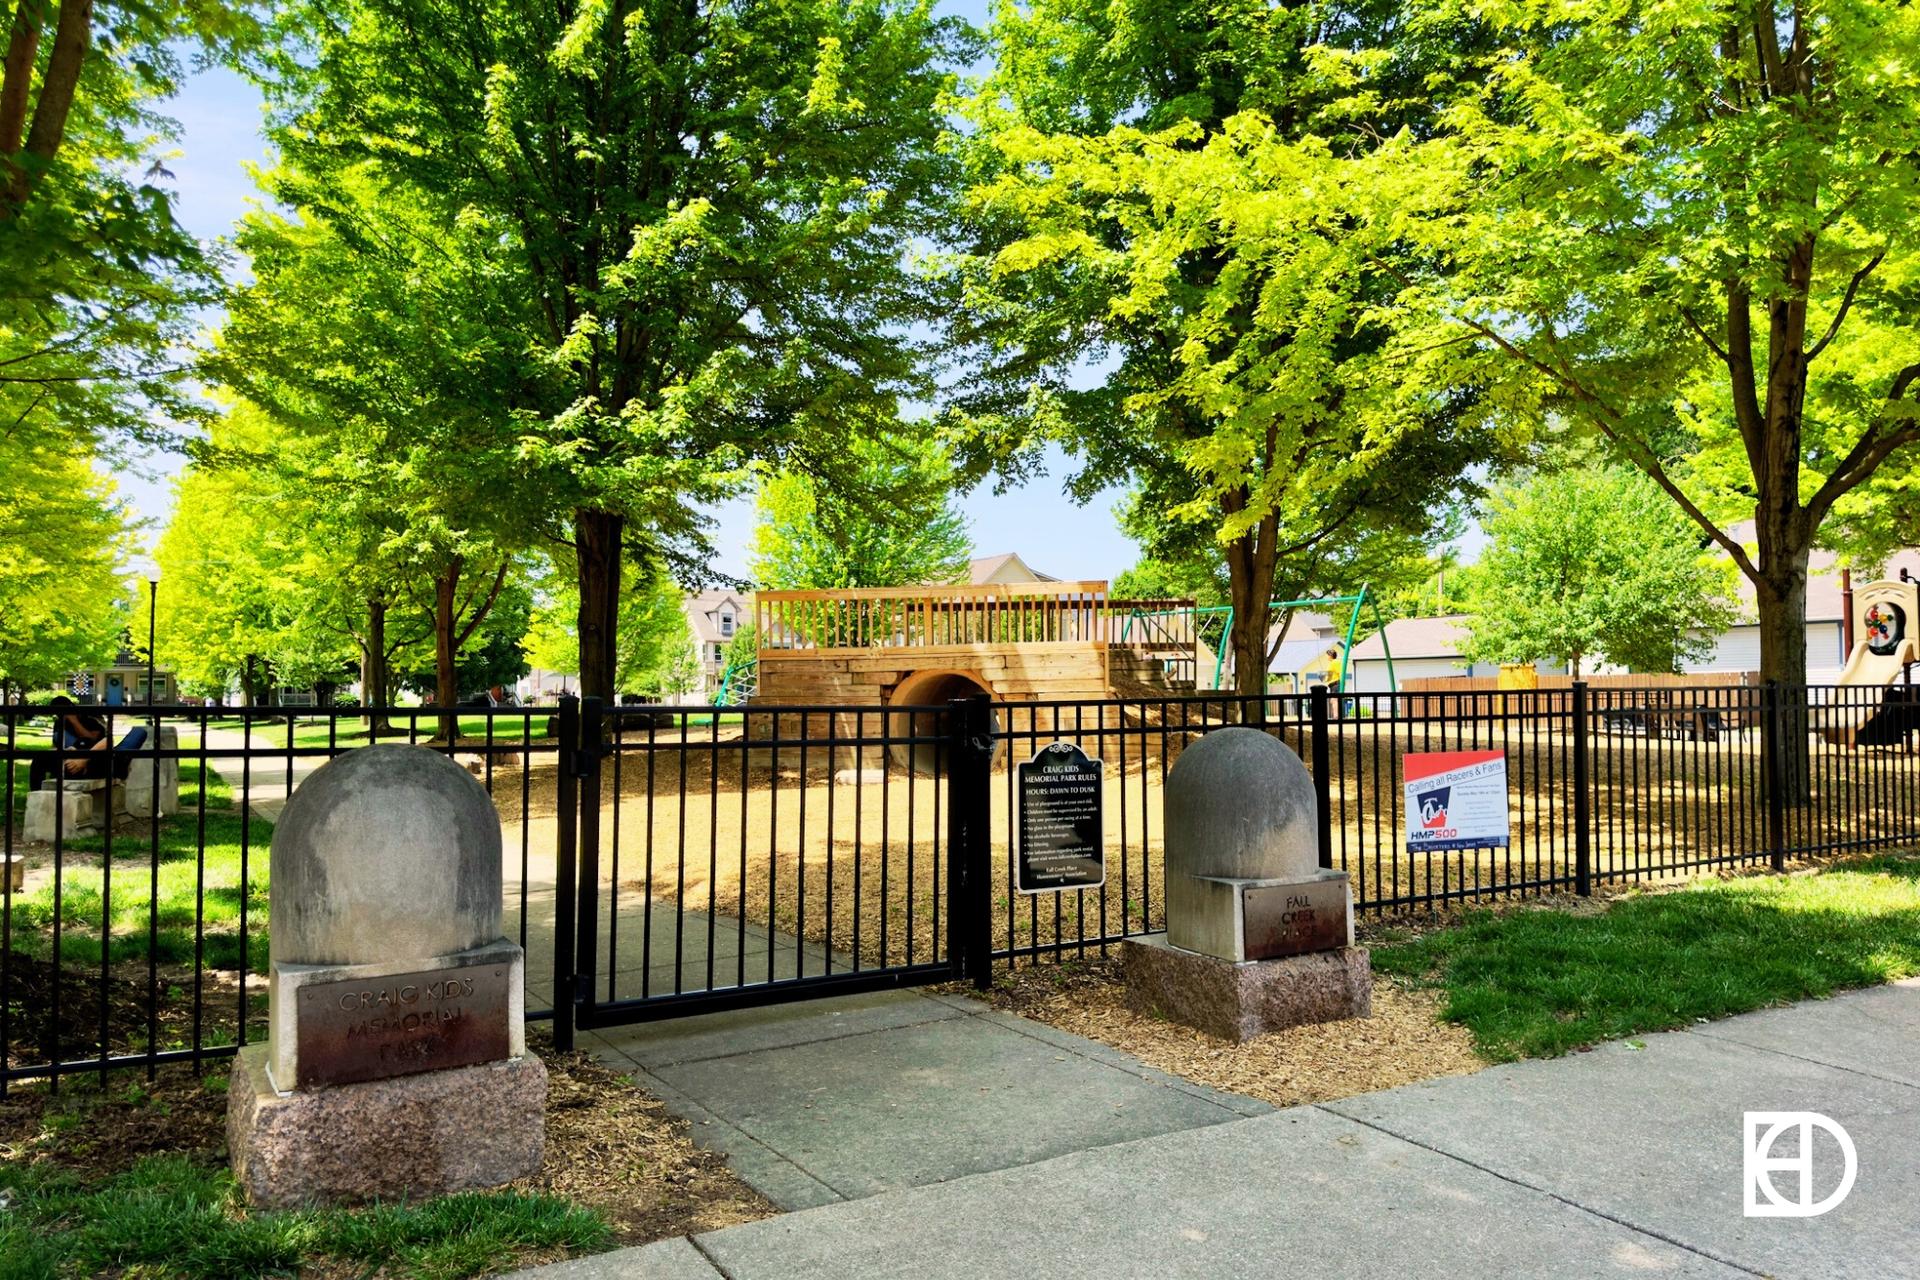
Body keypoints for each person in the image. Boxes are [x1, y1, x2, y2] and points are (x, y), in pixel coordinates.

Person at [30, 696, 148, 792]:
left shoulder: (87, 719)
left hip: (95, 752)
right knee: (139, 732)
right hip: (113, 760)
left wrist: (73, 751)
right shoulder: (74, 767)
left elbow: (98, 740)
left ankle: (35, 792)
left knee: (79, 741)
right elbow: (108, 741)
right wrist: (83, 758)